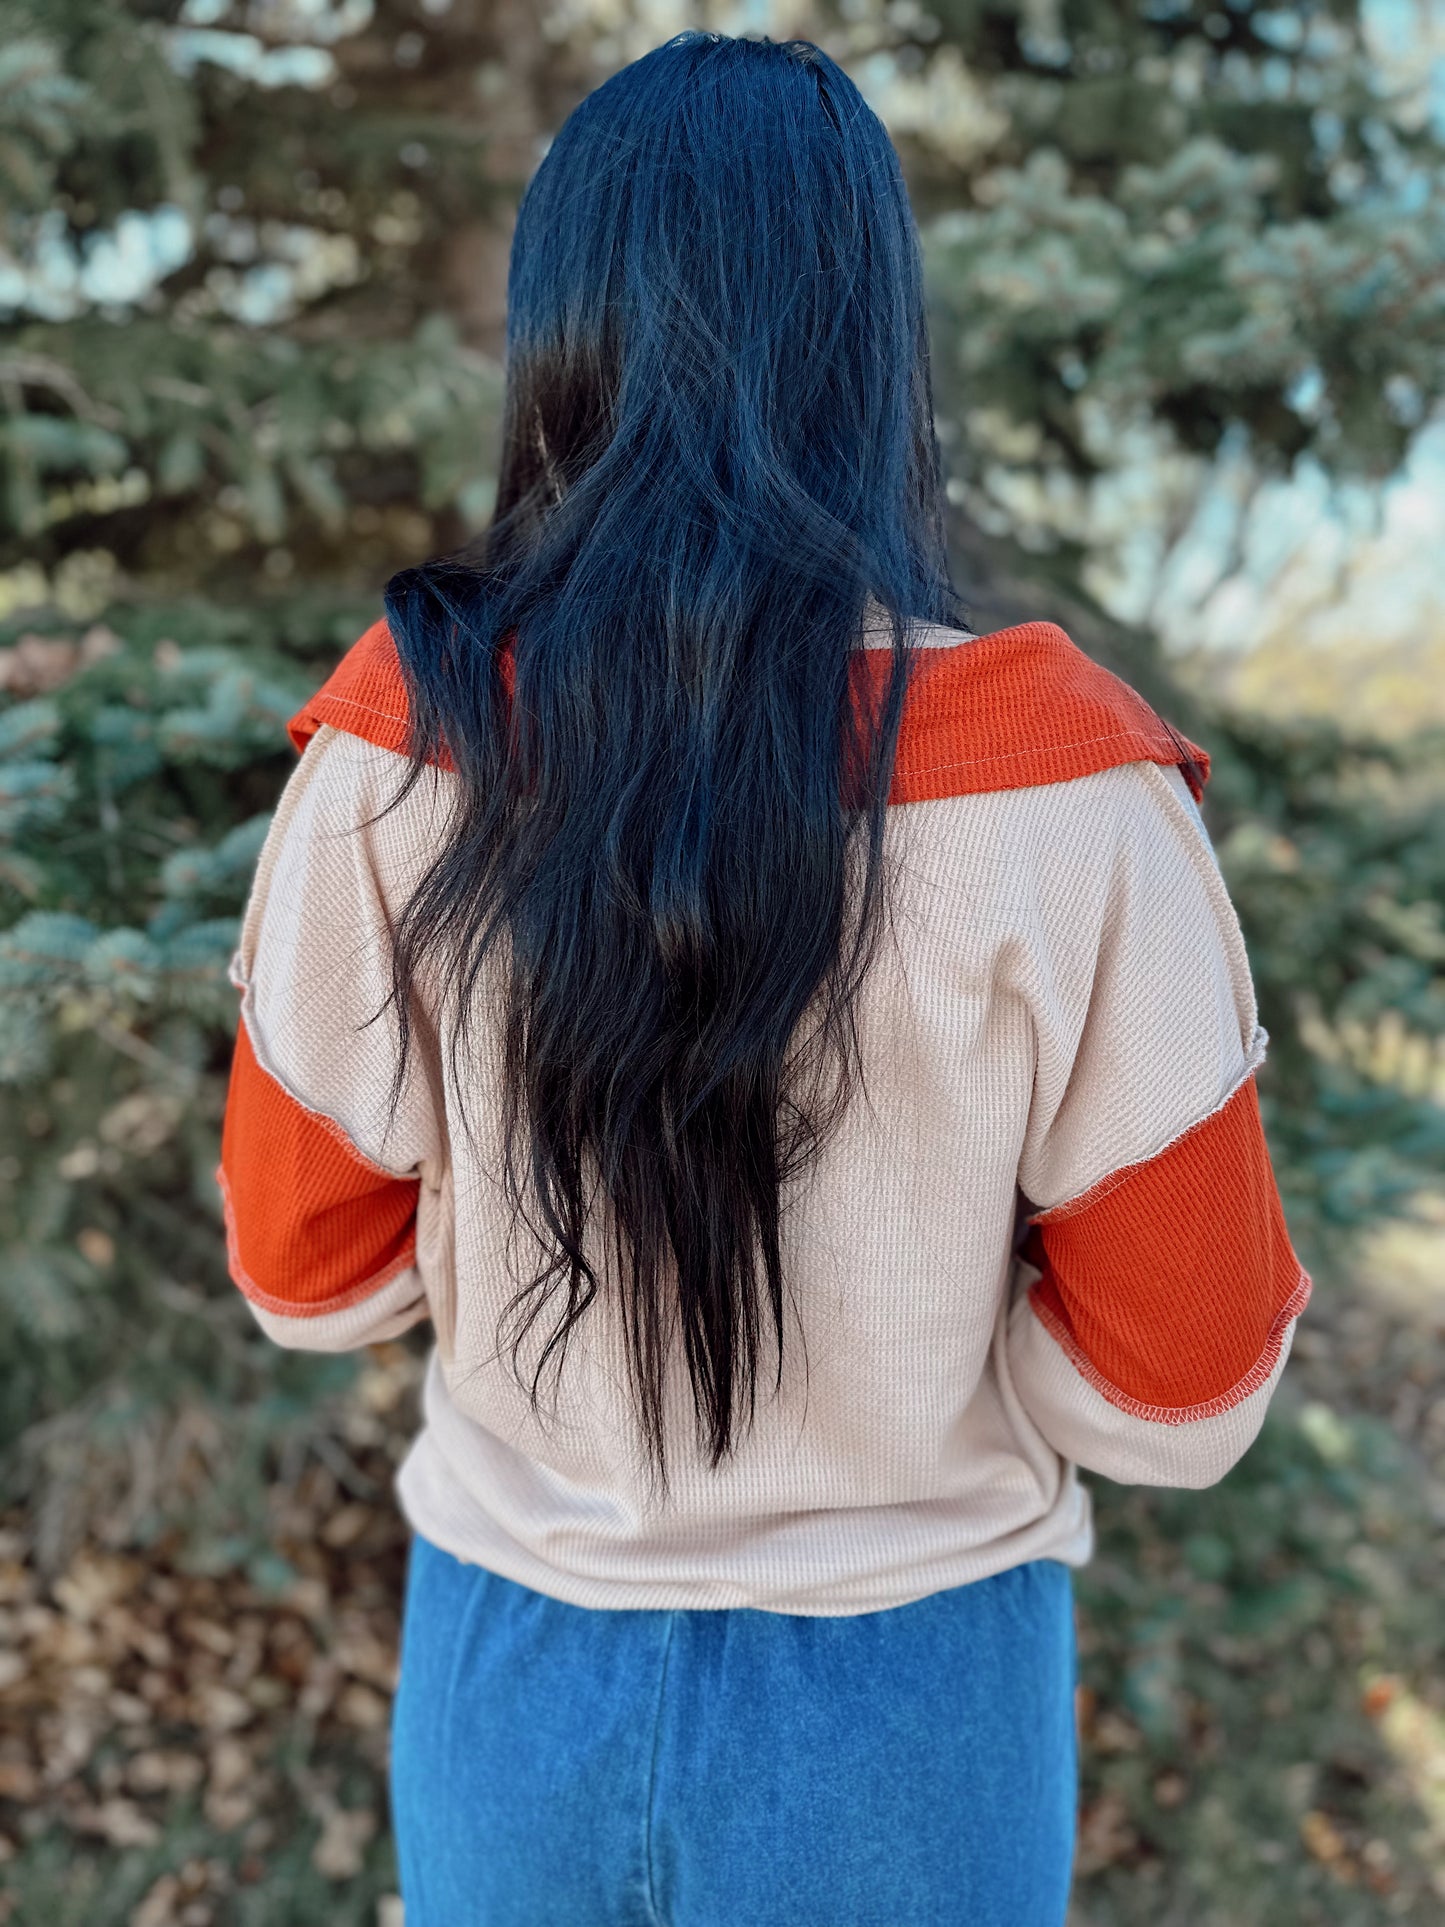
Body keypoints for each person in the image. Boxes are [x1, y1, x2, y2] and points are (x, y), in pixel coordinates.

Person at [216, 31, 1311, 1927]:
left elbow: (304, 1275)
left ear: (562, 327)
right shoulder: (1071, 786)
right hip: (912, 1708)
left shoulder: (401, 742)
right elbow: (1183, 1387)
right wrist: (928, 1340)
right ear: (870, 339)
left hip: (513, 1685)